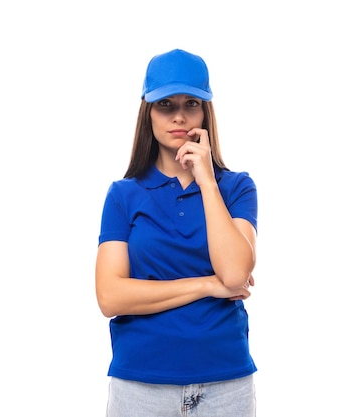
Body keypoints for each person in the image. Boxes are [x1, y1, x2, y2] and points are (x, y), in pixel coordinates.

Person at [95, 48, 259, 417]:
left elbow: (234, 274)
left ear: (206, 113)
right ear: (148, 113)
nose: (179, 116)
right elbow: (110, 296)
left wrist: (206, 181)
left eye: (191, 104)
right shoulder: (123, 195)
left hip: (225, 383)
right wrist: (207, 285)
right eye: (165, 104)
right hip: (140, 386)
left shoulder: (236, 188)